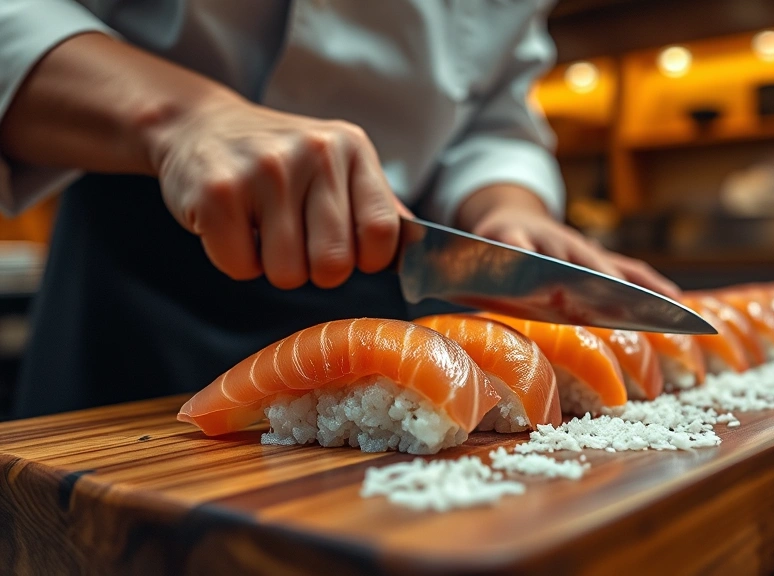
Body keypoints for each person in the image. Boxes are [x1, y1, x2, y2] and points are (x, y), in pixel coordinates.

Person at [0, 1, 679, 418]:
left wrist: (507, 204)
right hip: (140, 268)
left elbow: (496, 107)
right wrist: (181, 118)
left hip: (391, 276)